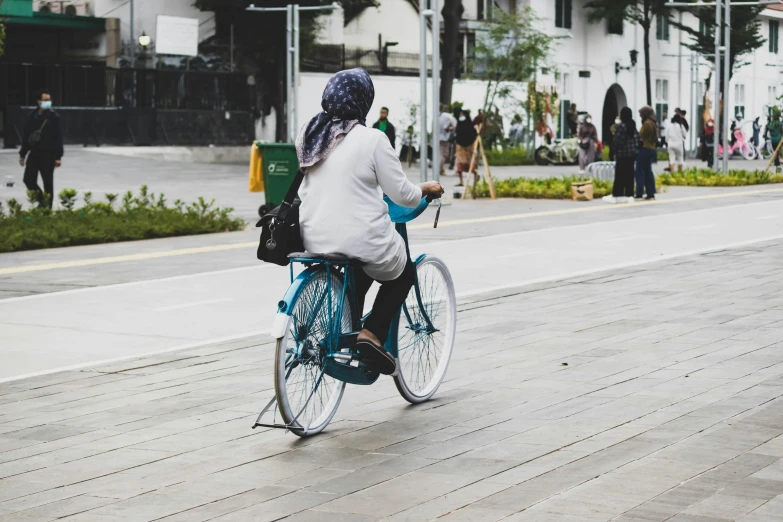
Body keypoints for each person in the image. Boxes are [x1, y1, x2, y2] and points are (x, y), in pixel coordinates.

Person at [295, 68, 443, 375]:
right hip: (358, 238)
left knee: (362, 265)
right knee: (402, 271)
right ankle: (371, 333)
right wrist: (425, 189)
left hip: (312, 235)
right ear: (365, 100)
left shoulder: (311, 131)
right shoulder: (373, 138)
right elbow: (402, 195)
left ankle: (346, 325)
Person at [19, 89, 63, 208]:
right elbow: (27, 136)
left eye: (49, 100)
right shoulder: (32, 116)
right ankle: (43, 201)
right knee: (28, 180)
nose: (48, 102)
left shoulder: (54, 117)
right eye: (45, 100)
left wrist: (58, 157)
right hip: (34, 154)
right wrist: (22, 154)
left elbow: (58, 137)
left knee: (48, 183)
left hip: (48, 155)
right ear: (38, 101)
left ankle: (47, 209)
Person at [604, 107, 638, 203]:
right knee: (630, 175)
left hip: (622, 155)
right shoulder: (633, 125)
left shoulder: (622, 126)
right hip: (631, 155)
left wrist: (614, 152)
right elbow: (636, 140)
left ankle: (617, 194)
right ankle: (629, 194)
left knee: (619, 175)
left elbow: (617, 141)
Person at [635, 106, 658, 200]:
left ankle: (639, 192)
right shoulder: (652, 122)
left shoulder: (647, 123)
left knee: (639, 171)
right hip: (651, 149)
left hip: (645, 149)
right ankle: (650, 192)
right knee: (648, 171)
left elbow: (641, 134)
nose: (640, 115)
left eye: (641, 113)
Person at [455, 109, 478, 187]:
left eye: (462, 114)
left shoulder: (470, 125)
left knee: (470, 165)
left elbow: (474, 135)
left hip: (469, 148)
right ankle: (461, 181)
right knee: (459, 164)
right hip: (460, 147)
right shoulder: (458, 124)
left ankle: (476, 176)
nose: (461, 116)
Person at [438, 105, 456, 177]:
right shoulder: (447, 116)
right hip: (445, 138)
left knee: (441, 154)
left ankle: (440, 169)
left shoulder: (437, 117)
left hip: (438, 138)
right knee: (444, 155)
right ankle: (441, 169)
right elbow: (454, 125)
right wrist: (451, 130)